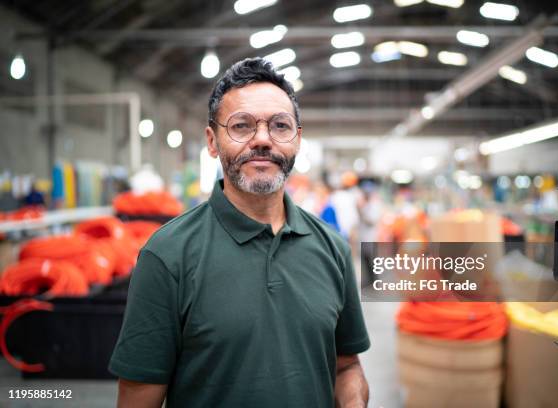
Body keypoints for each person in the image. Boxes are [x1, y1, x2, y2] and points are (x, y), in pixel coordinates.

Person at [109, 57, 370, 408]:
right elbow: (139, 397)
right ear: (212, 141)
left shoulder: (332, 249)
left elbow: (347, 366)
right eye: (242, 126)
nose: (262, 140)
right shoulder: (168, 255)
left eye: (280, 126)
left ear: (296, 140)